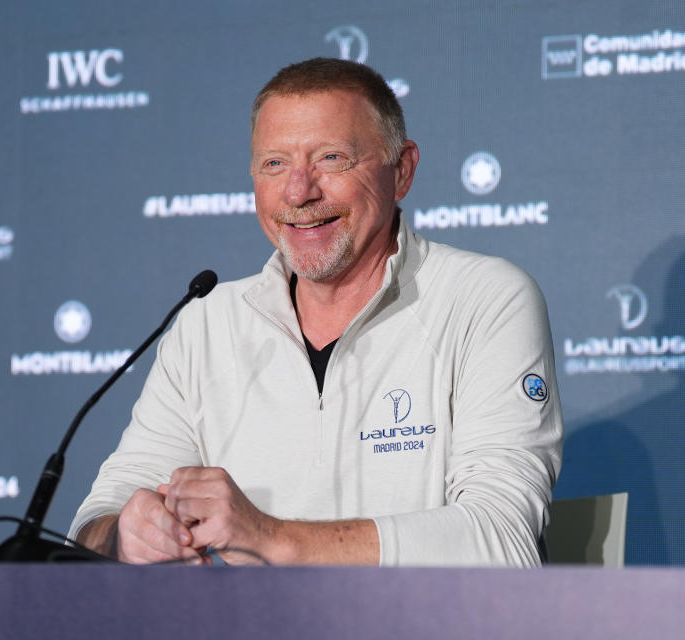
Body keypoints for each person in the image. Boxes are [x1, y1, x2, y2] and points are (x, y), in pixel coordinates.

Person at [70, 57, 563, 567]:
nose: (298, 192)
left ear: (403, 170)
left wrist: (272, 537)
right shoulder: (205, 324)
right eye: (274, 164)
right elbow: (98, 518)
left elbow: (502, 542)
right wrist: (125, 538)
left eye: (331, 158)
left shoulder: (485, 300)